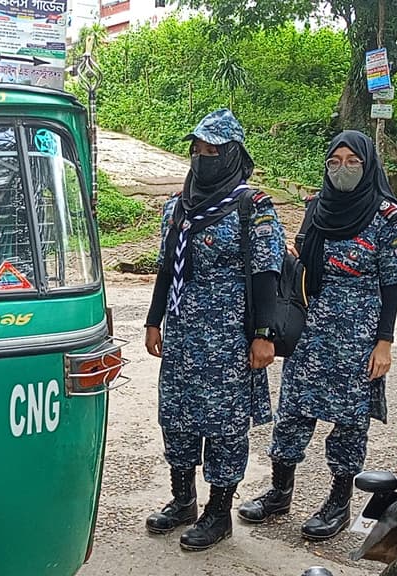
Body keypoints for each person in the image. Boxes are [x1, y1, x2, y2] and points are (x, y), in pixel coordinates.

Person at [238, 130, 397, 542]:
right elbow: (301, 257)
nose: (343, 168)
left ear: (368, 164)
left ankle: (338, 503)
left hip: (357, 333)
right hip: (309, 327)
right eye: (334, 161)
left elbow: (392, 285)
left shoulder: (389, 217)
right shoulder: (317, 207)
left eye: (353, 161)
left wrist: (384, 342)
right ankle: (280, 492)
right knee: (294, 412)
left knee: (350, 421)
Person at [143, 109, 286, 551]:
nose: (202, 158)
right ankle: (183, 500)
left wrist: (264, 334)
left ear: (232, 154)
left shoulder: (252, 204)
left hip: (230, 337)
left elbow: (267, 273)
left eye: (212, 151)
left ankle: (218, 513)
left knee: (224, 425)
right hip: (183, 334)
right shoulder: (178, 206)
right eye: (197, 150)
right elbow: (168, 267)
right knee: (178, 418)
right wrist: (153, 320)